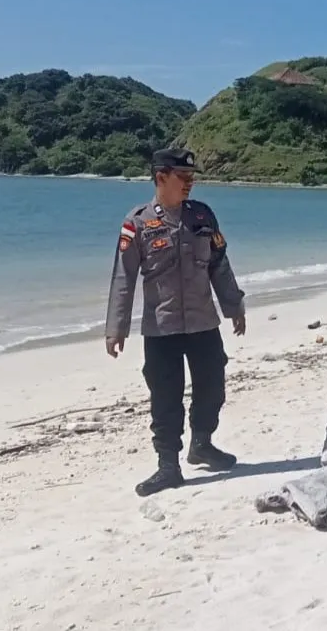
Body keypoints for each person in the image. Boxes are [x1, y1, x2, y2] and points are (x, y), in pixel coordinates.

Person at [105, 147, 248, 496]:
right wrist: (116, 328)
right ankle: (168, 466)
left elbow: (219, 264)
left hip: (203, 323)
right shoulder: (137, 223)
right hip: (161, 328)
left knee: (212, 387)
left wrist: (234, 305)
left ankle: (202, 444)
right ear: (161, 177)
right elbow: (124, 278)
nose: (190, 183)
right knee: (165, 398)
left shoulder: (202, 216)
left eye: (192, 177)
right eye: (182, 177)